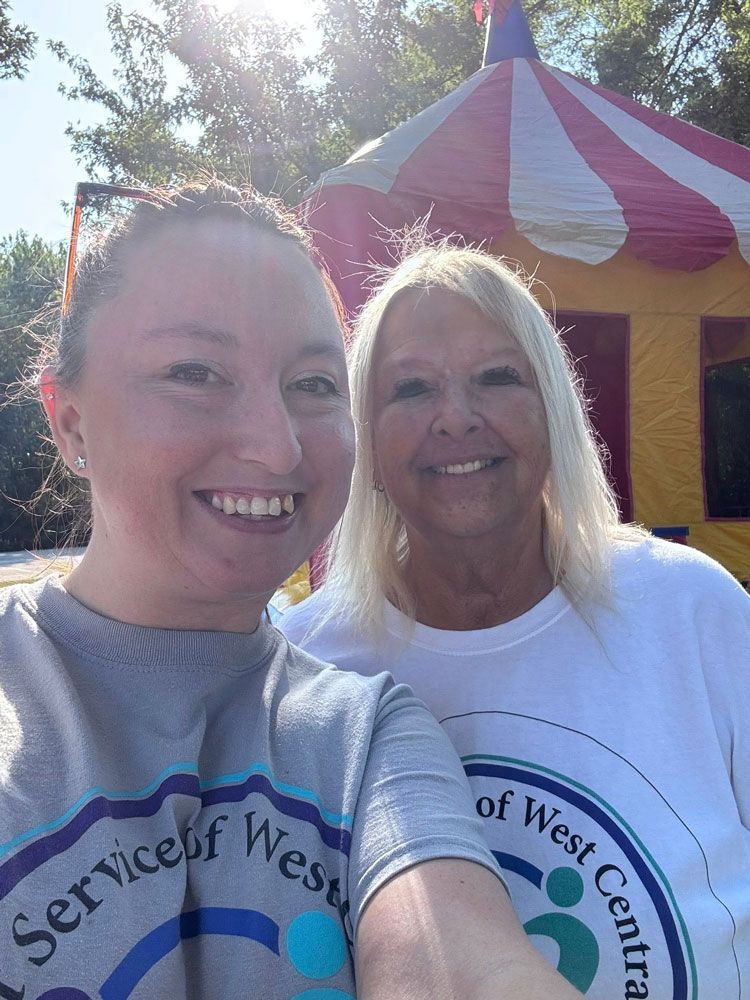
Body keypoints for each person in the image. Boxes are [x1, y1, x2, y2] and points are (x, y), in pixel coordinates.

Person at [0, 184, 584, 999]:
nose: (275, 449)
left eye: (313, 383)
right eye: (194, 372)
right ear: (68, 423)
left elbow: (461, 963)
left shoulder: (366, 733)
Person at [280, 243, 750, 999]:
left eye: (498, 377)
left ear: (555, 408)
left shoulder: (693, 611)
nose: (456, 419)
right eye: (411, 388)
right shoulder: (309, 668)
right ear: (365, 433)